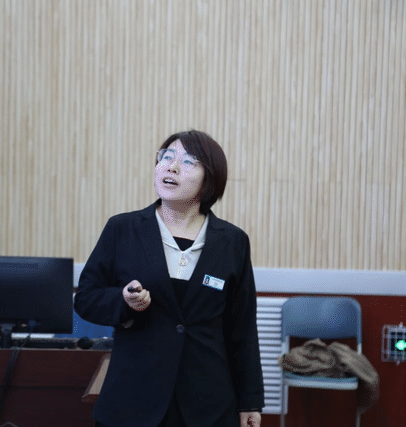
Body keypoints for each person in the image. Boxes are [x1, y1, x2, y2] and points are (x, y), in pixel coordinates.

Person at [74, 130, 264, 427]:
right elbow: (86, 298)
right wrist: (124, 301)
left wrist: (249, 400)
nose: (172, 167)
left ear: (210, 178)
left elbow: (242, 328)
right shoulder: (123, 229)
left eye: (188, 161)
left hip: (208, 401)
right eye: (166, 157)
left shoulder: (232, 241)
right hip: (134, 396)